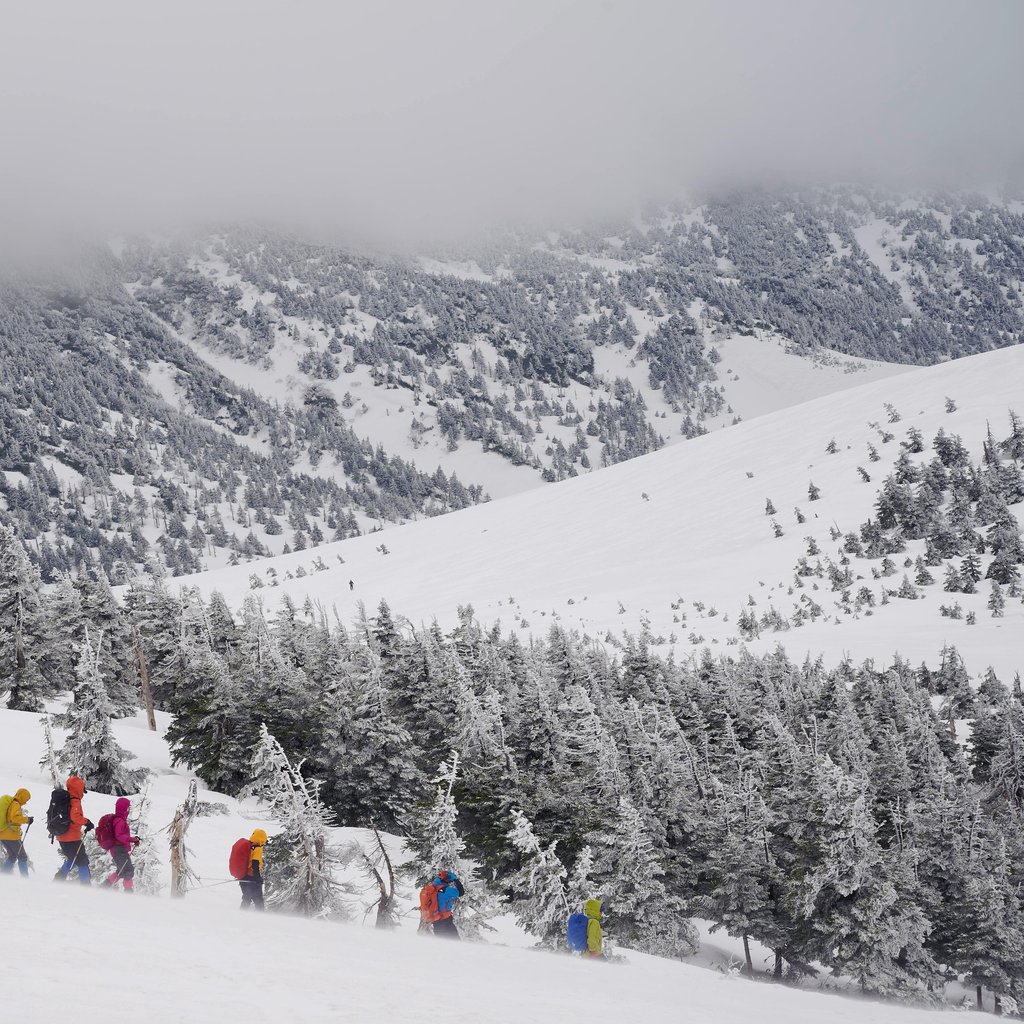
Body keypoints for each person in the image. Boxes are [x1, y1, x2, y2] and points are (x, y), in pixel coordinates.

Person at [54, 776, 93, 884]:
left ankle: (57, 880)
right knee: (82, 861)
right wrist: (87, 822)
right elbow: (75, 817)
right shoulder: (74, 801)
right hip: (72, 837)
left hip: (61, 835)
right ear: (79, 788)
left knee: (72, 859)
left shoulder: (65, 799)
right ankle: (86, 886)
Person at [100, 797, 140, 892]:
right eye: (128, 807)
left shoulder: (118, 820)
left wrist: (132, 840)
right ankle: (128, 893)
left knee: (122, 870)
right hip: (119, 849)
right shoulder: (120, 821)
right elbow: (119, 836)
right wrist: (132, 839)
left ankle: (103, 888)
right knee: (128, 870)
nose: (129, 809)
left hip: (118, 849)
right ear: (123, 808)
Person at [420, 869, 465, 938]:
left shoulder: (432, 887)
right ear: (447, 880)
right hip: (445, 920)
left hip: (435, 920)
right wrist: (455, 879)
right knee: (456, 943)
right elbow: (461, 892)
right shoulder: (446, 890)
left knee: (441, 944)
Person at [0, 789, 32, 876]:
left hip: (3, 835)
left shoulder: (11, 803)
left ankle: (3, 875)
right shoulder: (16, 804)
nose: (26, 801)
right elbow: (14, 817)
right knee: (22, 856)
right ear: (22, 797)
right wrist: (27, 820)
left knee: (13, 856)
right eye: (26, 799)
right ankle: (25, 879)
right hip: (11, 836)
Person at [239, 829, 267, 911]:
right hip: (252, 878)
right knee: (258, 900)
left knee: (246, 898)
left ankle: (239, 916)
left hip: (243, 877)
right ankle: (261, 918)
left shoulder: (249, 847)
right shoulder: (257, 848)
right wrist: (258, 878)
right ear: (262, 838)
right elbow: (255, 863)